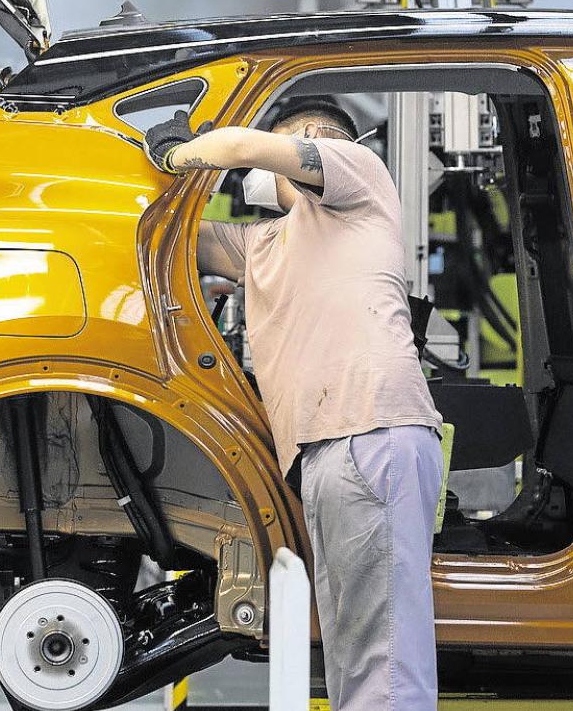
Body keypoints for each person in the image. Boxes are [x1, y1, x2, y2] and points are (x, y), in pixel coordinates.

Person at [145, 98, 444, 711]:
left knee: (383, 659)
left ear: (309, 143)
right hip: (332, 448)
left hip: (372, 431)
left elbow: (237, 150)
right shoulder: (265, 244)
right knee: (354, 649)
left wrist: (180, 154)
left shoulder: (359, 174)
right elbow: (170, 239)